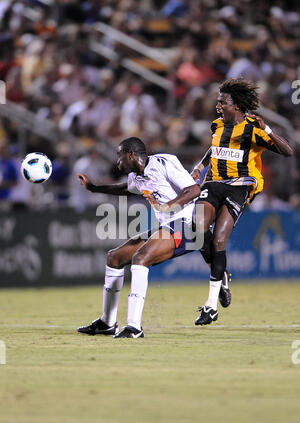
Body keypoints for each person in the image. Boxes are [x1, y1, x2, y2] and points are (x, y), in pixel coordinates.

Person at [190, 78, 293, 326]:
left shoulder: (253, 129)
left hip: (240, 186)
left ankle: (211, 306)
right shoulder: (216, 126)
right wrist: (200, 166)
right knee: (197, 230)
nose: (217, 106)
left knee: (219, 240)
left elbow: (288, 151)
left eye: (222, 102)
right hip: (213, 182)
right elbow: (214, 149)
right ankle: (222, 275)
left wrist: (267, 130)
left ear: (236, 106)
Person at [77, 137, 201, 338]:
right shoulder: (136, 177)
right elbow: (126, 189)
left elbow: (194, 189)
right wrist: (94, 188)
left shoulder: (164, 162)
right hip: (166, 226)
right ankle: (107, 323)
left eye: (119, 156)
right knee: (115, 258)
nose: (117, 162)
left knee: (140, 258)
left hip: (188, 224)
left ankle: (134, 327)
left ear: (131, 155)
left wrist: (170, 206)